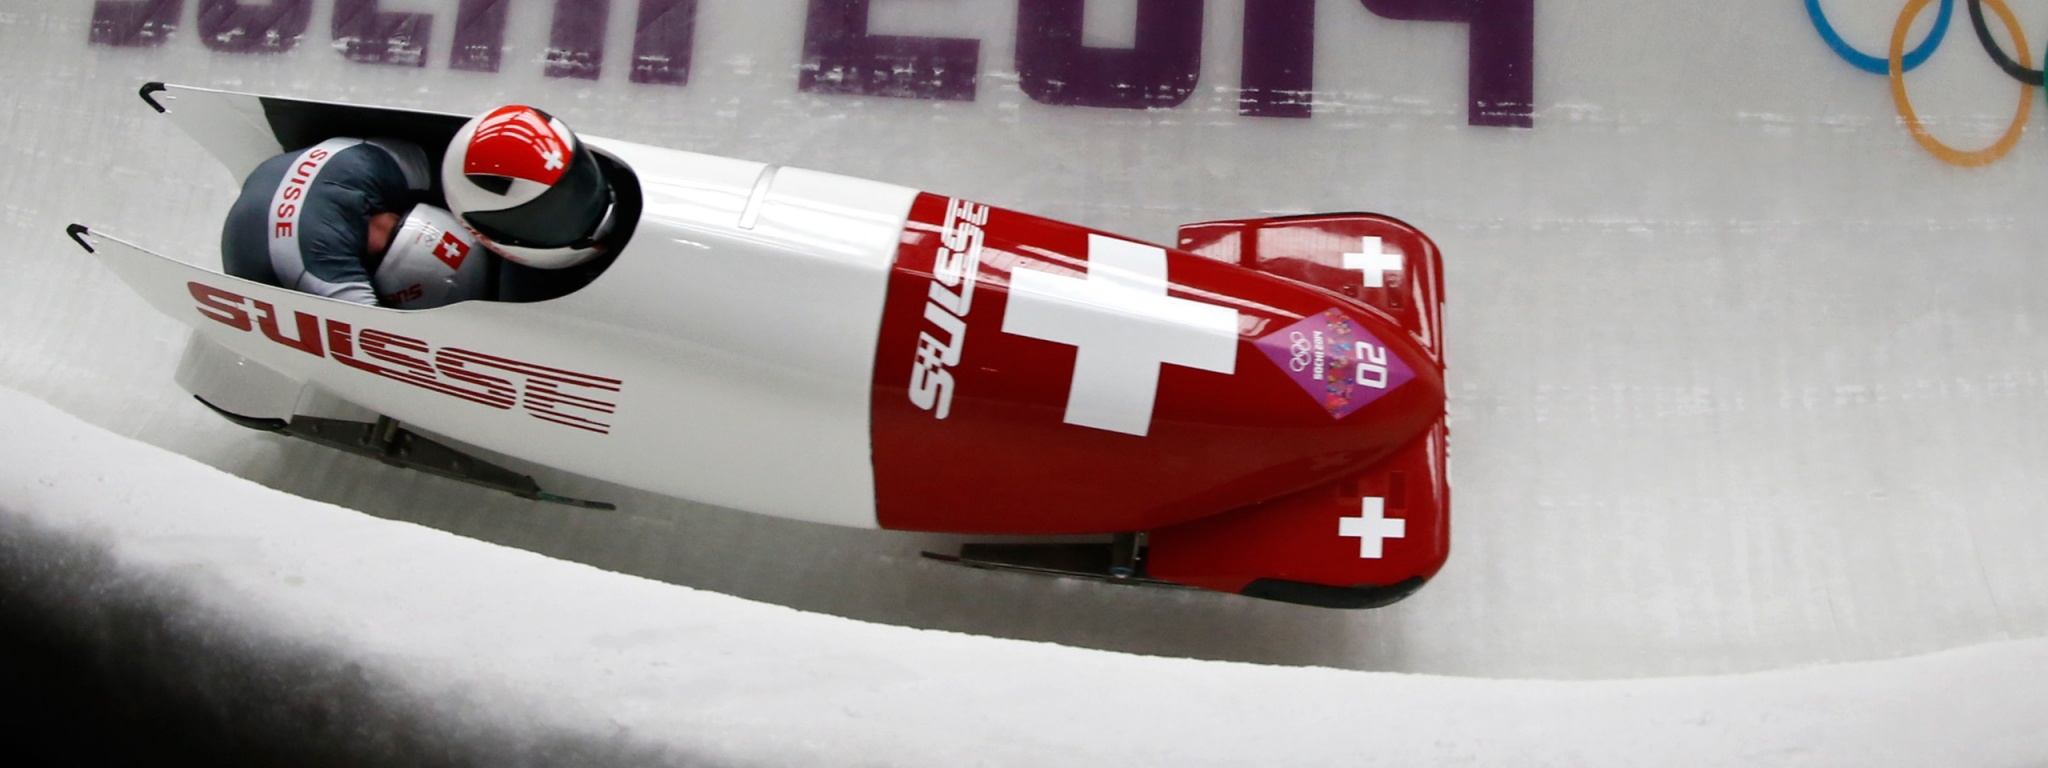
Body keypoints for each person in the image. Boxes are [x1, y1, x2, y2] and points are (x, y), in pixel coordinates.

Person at [220, 137, 437, 305]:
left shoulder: (385, 164)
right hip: (255, 274)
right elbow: (371, 329)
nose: (394, 223)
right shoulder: (326, 261)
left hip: (277, 177)